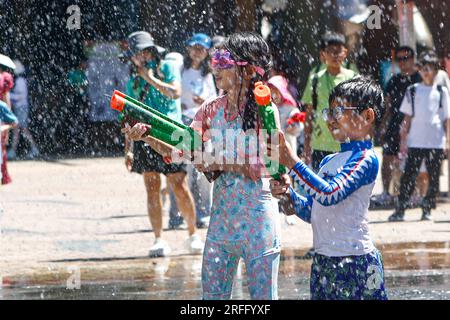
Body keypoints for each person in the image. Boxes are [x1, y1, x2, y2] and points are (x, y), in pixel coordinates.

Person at [123, 32, 281, 300]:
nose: (214, 66)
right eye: (214, 58)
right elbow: (179, 151)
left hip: (258, 224)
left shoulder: (265, 110)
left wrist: (213, 161)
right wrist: (147, 136)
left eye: (223, 60)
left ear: (246, 69)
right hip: (221, 225)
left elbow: (269, 162)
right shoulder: (210, 110)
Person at [270, 76, 388, 300]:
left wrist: (293, 163)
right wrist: (289, 195)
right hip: (324, 261)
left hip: (356, 262)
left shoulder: (365, 158)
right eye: (329, 112)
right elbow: (313, 211)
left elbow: (330, 194)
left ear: (367, 115)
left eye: (338, 111)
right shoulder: (329, 161)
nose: (331, 119)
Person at [122, 31, 204, 257]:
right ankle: (158, 239)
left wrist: (150, 78)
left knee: (179, 184)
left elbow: (175, 93)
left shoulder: (167, 68)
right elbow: (128, 116)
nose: (139, 58)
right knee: (151, 187)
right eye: (135, 55)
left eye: (142, 52)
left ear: (151, 51)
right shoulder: (133, 82)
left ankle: (192, 233)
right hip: (144, 135)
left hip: (170, 134)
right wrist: (128, 149)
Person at [388, 51, 450, 222]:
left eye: (430, 68)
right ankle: (400, 209)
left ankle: (427, 209)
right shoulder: (413, 90)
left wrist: (447, 141)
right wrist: (403, 139)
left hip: (436, 141)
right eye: (423, 67)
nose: (426, 71)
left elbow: (446, 118)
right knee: (409, 176)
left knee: (433, 176)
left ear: (436, 71)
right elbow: (406, 118)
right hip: (416, 140)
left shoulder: (441, 91)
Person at [372, 46, 421, 206]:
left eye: (405, 58)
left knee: (414, 161)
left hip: (415, 125)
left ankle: (414, 194)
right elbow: (387, 105)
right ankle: (386, 192)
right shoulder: (394, 80)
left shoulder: (419, 79)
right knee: (387, 158)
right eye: (399, 59)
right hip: (394, 124)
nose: (402, 62)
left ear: (413, 59)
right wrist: (382, 126)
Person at [301, 31, 357, 171]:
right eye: (330, 51)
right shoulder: (315, 78)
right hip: (321, 143)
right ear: (323, 54)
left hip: (347, 143)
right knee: (322, 187)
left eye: (338, 51)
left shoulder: (353, 78)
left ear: (345, 52)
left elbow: (359, 112)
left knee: (344, 187)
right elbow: (309, 113)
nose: (335, 55)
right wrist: (307, 145)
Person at [180, 33, 217, 227]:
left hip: (204, 125)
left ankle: (205, 211)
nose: (197, 52)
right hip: (183, 123)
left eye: (202, 49)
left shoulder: (208, 74)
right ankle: (181, 212)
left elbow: (214, 100)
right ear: (188, 48)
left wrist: (203, 102)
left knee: (205, 170)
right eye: (195, 48)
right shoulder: (180, 70)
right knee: (184, 169)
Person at [268, 74, 303, 225]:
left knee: (287, 178)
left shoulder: (290, 108)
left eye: (275, 90)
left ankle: (289, 210)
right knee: (274, 178)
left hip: (287, 149)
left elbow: (298, 124)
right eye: (270, 90)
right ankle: (274, 208)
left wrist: (293, 126)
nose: (273, 94)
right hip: (271, 150)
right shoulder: (267, 108)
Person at [8, 60, 40, 160]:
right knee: (18, 129)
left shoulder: (20, 81)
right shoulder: (19, 80)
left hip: (21, 107)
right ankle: (13, 150)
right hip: (20, 107)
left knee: (22, 128)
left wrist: (9, 95)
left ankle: (33, 148)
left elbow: (21, 96)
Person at [0, 62, 15, 185]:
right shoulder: (4, 78)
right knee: (2, 146)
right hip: (1, 115)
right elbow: (6, 101)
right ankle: (3, 175)